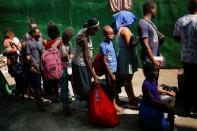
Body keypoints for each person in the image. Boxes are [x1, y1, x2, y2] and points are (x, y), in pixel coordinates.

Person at [174, 0, 197, 116]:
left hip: (186, 57)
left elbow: (176, 38)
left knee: (188, 82)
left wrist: (186, 42)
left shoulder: (181, 20)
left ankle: (186, 108)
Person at [112, 11, 139, 108]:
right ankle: (131, 100)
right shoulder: (125, 30)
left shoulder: (120, 29)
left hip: (125, 57)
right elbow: (130, 45)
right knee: (128, 79)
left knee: (128, 78)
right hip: (128, 60)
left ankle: (132, 97)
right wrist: (138, 39)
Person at [139, 64, 175, 131]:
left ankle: (169, 117)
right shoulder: (146, 84)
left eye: (156, 71)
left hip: (156, 99)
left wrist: (167, 92)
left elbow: (156, 90)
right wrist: (163, 103)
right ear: (147, 72)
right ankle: (171, 127)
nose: (156, 72)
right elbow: (152, 100)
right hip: (151, 104)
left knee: (172, 99)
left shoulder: (153, 80)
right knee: (170, 108)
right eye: (154, 71)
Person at [72, 18, 100, 102]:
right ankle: (91, 107)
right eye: (95, 30)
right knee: (86, 89)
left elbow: (85, 24)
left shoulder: (85, 29)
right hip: (81, 65)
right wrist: (95, 77)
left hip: (84, 64)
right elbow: (86, 59)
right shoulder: (83, 39)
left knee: (87, 85)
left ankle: (89, 103)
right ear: (90, 29)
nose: (97, 31)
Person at [99, 25, 124, 112]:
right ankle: (113, 105)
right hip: (110, 71)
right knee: (111, 88)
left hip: (115, 69)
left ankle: (116, 101)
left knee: (116, 87)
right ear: (105, 35)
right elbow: (105, 62)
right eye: (110, 34)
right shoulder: (103, 45)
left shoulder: (111, 43)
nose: (113, 35)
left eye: (113, 33)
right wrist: (110, 74)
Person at [137, 0, 162, 84]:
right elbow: (145, 44)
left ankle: (153, 96)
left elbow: (153, 41)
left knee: (155, 81)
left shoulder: (150, 23)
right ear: (151, 10)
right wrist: (153, 61)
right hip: (149, 60)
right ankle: (149, 97)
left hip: (154, 57)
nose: (156, 11)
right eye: (155, 9)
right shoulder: (143, 23)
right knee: (151, 82)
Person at [25, 27, 45, 111]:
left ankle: (41, 102)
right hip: (35, 68)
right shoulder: (28, 43)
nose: (39, 33)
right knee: (37, 88)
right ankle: (39, 105)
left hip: (41, 67)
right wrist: (32, 65)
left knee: (39, 87)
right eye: (37, 32)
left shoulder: (39, 41)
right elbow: (28, 57)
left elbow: (43, 50)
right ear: (33, 34)